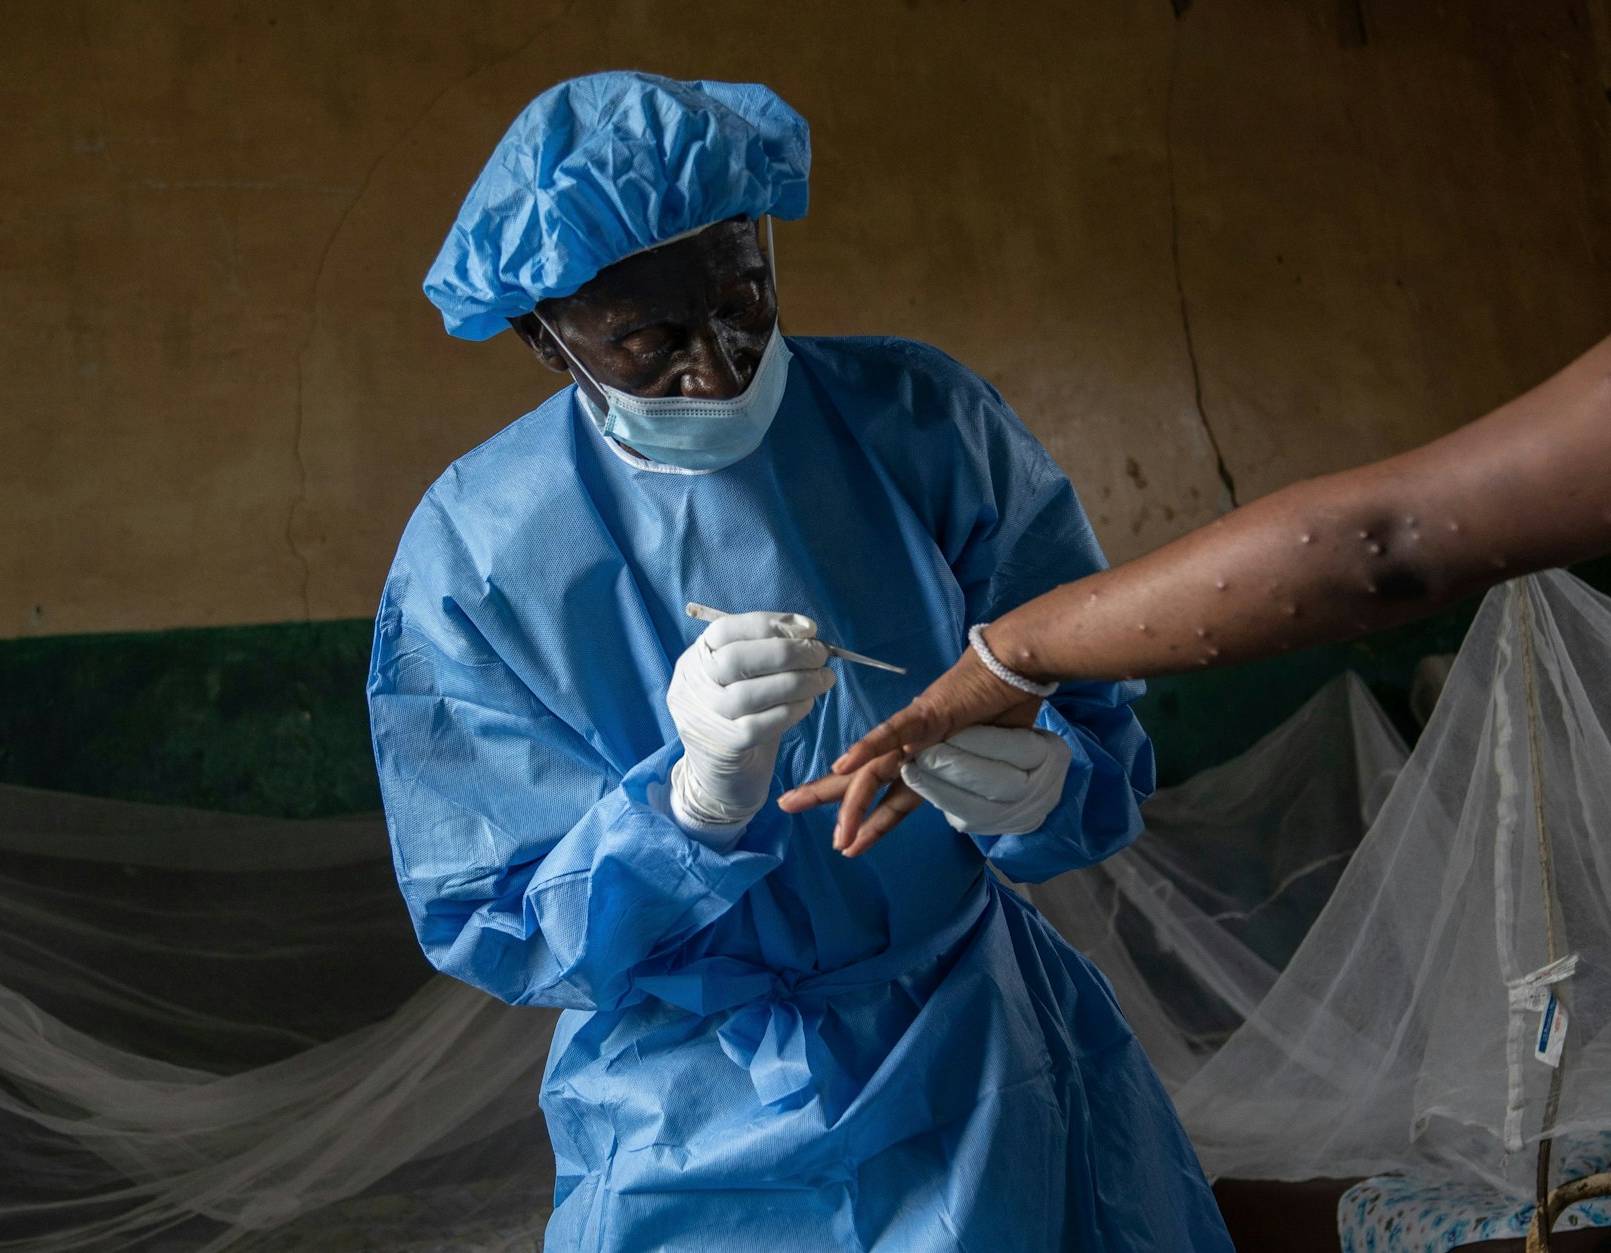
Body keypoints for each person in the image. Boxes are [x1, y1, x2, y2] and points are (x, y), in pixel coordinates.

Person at [369, 72, 1234, 1251]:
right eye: (648, 344)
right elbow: (492, 913)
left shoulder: (923, 423)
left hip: (970, 1052)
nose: (718, 373)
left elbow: (1086, 719)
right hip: (688, 1104)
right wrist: (689, 806)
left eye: (742, 305)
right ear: (541, 336)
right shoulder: (478, 551)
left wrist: (1042, 779)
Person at [782, 332, 1611, 856]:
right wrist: (1010, 658)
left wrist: (1011, 658)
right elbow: (1385, 539)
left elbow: (1386, 542)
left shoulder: (927, 414)